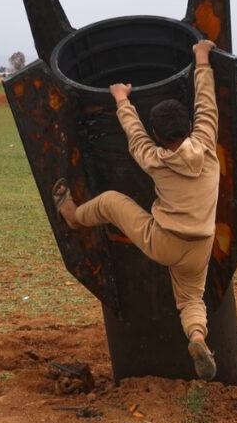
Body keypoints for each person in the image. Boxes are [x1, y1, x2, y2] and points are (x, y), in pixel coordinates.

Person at [51, 38, 220, 381]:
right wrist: (201, 58)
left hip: (163, 240)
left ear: (158, 136)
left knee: (112, 202)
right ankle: (197, 336)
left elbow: (134, 136)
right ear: (189, 127)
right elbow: (207, 103)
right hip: (201, 245)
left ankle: (73, 217)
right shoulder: (206, 144)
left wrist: (121, 99)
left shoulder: (154, 159)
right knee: (190, 298)